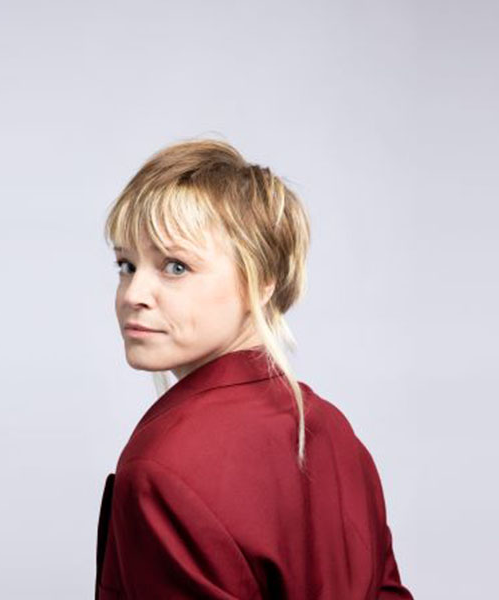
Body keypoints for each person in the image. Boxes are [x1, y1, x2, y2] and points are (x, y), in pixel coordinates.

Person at [94, 137, 414, 599]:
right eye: (126, 265)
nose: (133, 294)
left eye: (175, 267)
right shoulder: (331, 428)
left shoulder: (162, 467)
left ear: (261, 282)